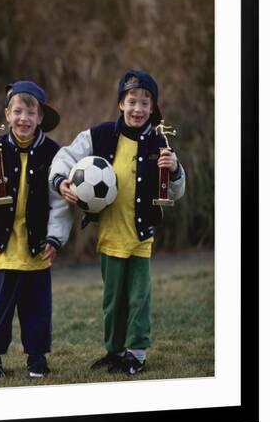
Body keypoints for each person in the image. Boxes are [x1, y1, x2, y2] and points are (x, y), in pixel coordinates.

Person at [49, 69, 186, 376]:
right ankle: (115, 351)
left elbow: (176, 190)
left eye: (144, 103)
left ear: (153, 108)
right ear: (121, 104)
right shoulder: (99, 135)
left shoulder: (159, 142)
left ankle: (136, 354)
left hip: (140, 237)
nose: (138, 109)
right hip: (110, 236)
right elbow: (65, 156)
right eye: (131, 101)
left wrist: (175, 169)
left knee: (138, 298)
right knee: (112, 302)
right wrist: (60, 181)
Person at [0, 81, 70, 379]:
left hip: (37, 247)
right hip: (4, 248)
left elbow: (60, 203)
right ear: (7, 114)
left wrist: (56, 237)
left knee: (37, 309)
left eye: (31, 112)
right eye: (18, 111)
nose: (24, 118)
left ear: (40, 117)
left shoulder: (53, 154)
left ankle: (37, 358)